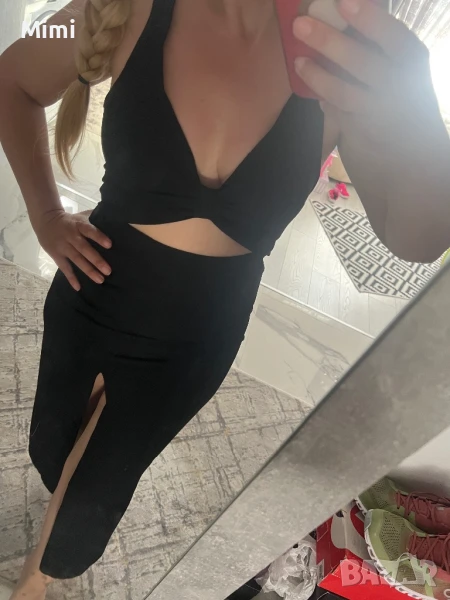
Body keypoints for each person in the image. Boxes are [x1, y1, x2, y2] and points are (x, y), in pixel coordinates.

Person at [0, 0, 449, 597]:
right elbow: (11, 78)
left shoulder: (335, 54)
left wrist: (419, 122)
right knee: (49, 449)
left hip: (196, 340)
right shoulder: (113, 5)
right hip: (91, 293)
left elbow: (417, 240)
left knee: (87, 512)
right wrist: (46, 217)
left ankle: (34, 580)